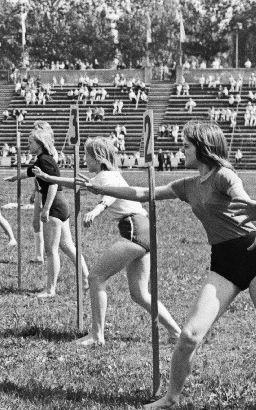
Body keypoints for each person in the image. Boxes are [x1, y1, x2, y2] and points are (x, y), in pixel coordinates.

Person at [78, 121, 256, 410]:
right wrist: (98, 186)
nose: (181, 149)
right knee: (189, 336)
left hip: (255, 256)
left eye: (186, 145)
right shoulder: (188, 185)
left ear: (203, 149)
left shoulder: (225, 176)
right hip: (223, 263)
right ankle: (170, 398)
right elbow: (142, 193)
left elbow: (249, 204)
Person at [35, 137, 180, 346]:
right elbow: (79, 184)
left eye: (87, 156)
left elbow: (108, 195)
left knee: (95, 277)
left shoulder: (106, 176)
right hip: (145, 230)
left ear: (98, 158)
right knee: (140, 294)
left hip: (134, 230)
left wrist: (96, 210)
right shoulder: (109, 175)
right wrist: (49, 177)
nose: (85, 160)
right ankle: (176, 332)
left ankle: (97, 335)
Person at [5, 125, 88, 297]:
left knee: (51, 251)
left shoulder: (44, 160)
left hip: (55, 207)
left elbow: (53, 184)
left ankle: (50, 289)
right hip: (61, 205)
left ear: (40, 143)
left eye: (30, 142)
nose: (28, 145)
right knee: (67, 246)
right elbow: (30, 172)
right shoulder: (43, 158)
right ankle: (87, 278)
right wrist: (15, 177)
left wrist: (46, 209)